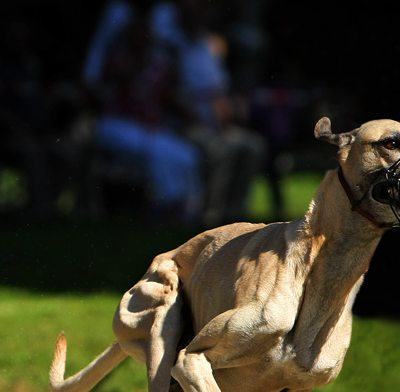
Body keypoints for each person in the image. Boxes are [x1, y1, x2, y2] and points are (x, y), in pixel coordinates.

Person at [83, 1, 203, 221]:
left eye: (147, 33)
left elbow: (169, 96)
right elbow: (123, 81)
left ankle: (190, 207)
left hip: (148, 129)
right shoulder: (118, 60)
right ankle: (166, 205)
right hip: (115, 125)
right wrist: (142, 59)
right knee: (156, 153)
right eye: (138, 33)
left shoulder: (159, 66)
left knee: (187, 155)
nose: (144, 37)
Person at [151, 0, 267, 226]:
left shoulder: (208, 45)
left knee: (254, 146)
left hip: (217, 122)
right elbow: (172, 95)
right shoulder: (173, 48)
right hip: (187, 124)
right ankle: (211, 214)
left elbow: (221, 87)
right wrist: (200, 120)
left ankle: (235, 213)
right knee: (220, 150)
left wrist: (230, 108)